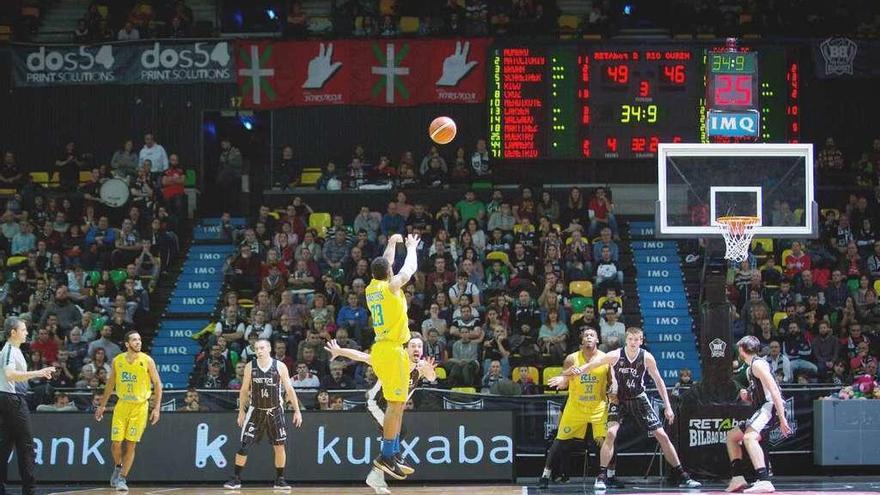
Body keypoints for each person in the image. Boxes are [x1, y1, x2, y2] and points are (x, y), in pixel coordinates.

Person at [566, 327, 701, 490]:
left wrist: (667, 406)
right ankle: (601, 477)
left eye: (637, 339)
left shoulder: (647, 357)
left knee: (662, 436)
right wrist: (579, 370)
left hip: (638, 398)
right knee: (610, 434)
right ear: (626, 340)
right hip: (619, 399)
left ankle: (683, 475)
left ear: (641, 341)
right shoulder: (615, 355)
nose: (633, 342)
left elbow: (659, 381)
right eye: (630, 339)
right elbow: (593, 364)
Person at [325, 336, 437, 494]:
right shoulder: (394, 361)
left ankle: (379, 472)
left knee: (397, 434)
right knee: (398, 433)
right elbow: (364, 357)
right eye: (413, 346)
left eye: (419, 346)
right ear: (405, 349)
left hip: (394, 408)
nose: (416, 349)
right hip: (376, 403)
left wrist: (430, 372)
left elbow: (432, 378)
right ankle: (390, 459)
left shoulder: (421, 366)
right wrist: (339, 351)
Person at [365, 233, 420, 480]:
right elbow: (410, 268)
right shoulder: (391, 286)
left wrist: (391, 243)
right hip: (393, 349)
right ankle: (387, 455)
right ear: (389, 272)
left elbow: (385, 262)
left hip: (382, 348)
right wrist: (411, 247)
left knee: (397, 405)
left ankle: (394, 452)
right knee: (395, 405)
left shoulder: (372, 287)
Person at [541, 328, 621, 489]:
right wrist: (561, 380)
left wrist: (614, 390)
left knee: (607, 440)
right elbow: (565, 381)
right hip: (575, 406)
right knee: (559, 441)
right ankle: (545, 476)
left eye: (592, 335)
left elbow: (612, 381)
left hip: (598, 407)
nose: (589, 337)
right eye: (586, 335)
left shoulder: (605, 359)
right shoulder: (572, 358)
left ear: (597, 340)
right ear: (582, 341)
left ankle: (610, 476)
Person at [224, 339, 303, 491]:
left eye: (261, 348)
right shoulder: (250, 366)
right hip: (256, 410)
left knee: (279, 446)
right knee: (244, 444)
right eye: (256, 348)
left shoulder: (279, 366)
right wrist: (241, 411)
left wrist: (297, 411)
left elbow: (290, 389)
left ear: (268, 349)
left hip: (275, 410)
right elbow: (244, 390)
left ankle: (280, 480)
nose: (258, 351)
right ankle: (236, 479)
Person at [95, 331, 163, 491]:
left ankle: (122, 479)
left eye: (139, 339)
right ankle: (118, 466)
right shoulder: (118, 361)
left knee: (131, 443)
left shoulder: (147, 361)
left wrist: (157, 408)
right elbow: (110, 384)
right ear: (127, 344)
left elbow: (158, 384)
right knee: (116, 443)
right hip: (122, 404)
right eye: (134, 340)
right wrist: (102, 406)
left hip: (140, 407)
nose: (138, 342)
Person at [725, 336, 792, 493]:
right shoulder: (751, 368)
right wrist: (747, 395)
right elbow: (759, 393)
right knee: (732, 437)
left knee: (749, 438)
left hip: (770, 408)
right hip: (763, 408)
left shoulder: (758, 365)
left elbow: (774, 390)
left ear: (742, 349)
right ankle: (737, 478)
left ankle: (764, 480)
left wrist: (782, 418)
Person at [0, 317, 56, 495]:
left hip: (9, 398)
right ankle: (29, 490)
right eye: (23, 330)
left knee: (5, 444)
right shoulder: (9, 350)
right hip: (12, 399)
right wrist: (38, 372)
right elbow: (9, 375)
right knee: (26, 445)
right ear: (13, 332)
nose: (26, 332)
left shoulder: (14, 350)